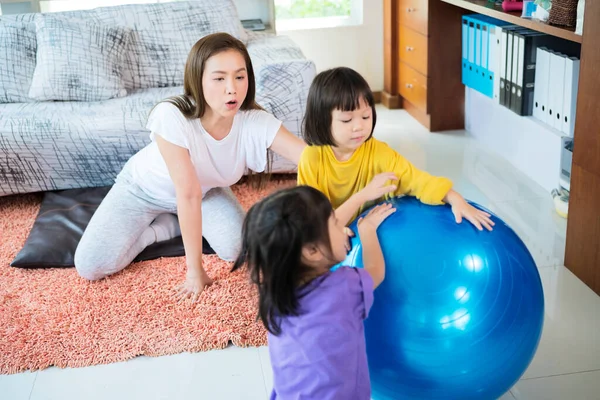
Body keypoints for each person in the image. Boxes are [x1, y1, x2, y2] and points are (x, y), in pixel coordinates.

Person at [74, 33, 306, 301]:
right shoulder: (171, 114)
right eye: (219, 78)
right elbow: (187, 192)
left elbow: (310, 158)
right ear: (199, 80)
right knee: (91, 265)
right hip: (142, 190)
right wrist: (195, 271)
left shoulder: (254, 121)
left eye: (239, 77)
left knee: (238, 249)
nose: (232, 88)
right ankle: (159, 230)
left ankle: (173, 225)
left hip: (205, 192)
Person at [232, 185, 395, 399]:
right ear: (312, 251)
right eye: (336, 224)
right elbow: (376, 271)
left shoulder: (273, 296)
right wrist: (367, 231)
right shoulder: (344, 287)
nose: (345, 228)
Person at [298, 66, 494, 231]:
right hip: (328, 237)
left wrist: (455, 198)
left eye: (366, 116)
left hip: (371, 236)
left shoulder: (379, 153)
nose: (359, 126)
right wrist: (364, 195)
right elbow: (317, 227)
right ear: (322, 121)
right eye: (347, 120)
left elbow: (417, 180)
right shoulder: (311, 158)